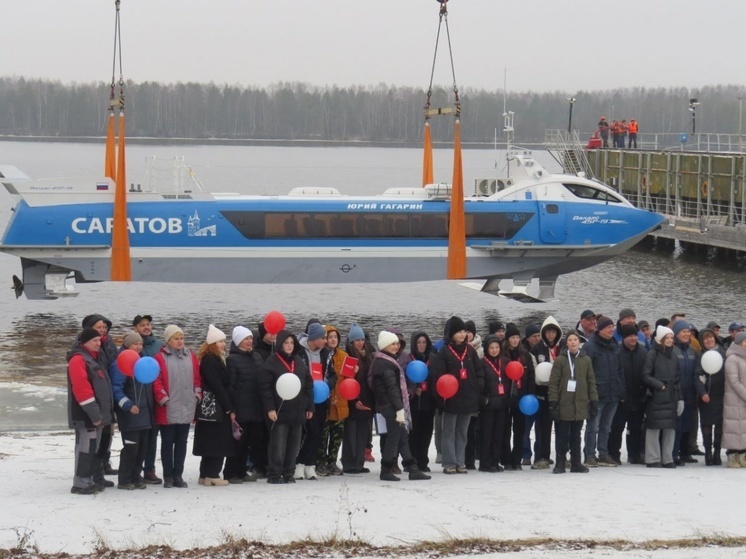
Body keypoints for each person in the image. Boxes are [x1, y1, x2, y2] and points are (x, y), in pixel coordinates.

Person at [370, 330, 430, 481]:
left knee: (402, 436)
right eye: (393, 344)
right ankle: (386, 469)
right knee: (394, 437)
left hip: (390, 404)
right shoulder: (384, 363)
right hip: (389, 406)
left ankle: (412, 468)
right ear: (385, 345)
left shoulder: (387, 359)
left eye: (397, 343)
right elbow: (391, 389)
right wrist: (399, 409)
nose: (396, 346)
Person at [429, 317, 484, 475]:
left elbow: (479, 370)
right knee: (449, 432)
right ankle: (449, 463)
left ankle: (460, 462)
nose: (462, 334)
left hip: (468, 398)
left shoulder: (471, 351)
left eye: (464, 331)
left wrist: (478, 386)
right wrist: (440, 399)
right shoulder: (444, 352)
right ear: (451, 334)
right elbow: (437, 377)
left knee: (462, 432)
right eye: (458, 331)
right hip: (451, 400)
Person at [259, 330, 314, 484]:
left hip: (297, 410)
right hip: (279, 410)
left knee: (294, 444)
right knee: (278, 444)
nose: (289, 346)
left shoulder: (299, 362)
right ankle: (275, 473)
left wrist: (309, 407)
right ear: (280, 345)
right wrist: (270, 409)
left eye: (291, 343)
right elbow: (265, 388)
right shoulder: (271, 363)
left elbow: (308, 385)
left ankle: (289, 472)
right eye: (286, 343)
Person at [67, 327, 115, 494]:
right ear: (85, 342)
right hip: (86, 414)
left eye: (99, 340)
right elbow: (82, 389)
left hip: (98, 415)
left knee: (93, 448)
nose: (98, 343)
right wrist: (94, 414)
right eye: (94, 340)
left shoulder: (94, 359)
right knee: (85, 448)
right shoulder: (78, 359)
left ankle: (91, 479)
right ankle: (80, 483)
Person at [153, 324, 201, 488]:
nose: (180, 341)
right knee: (167, 442)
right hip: (169, 407)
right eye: (176, 338)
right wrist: (163, 398)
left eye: (181, 338)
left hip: (187, 405)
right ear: (168, 341)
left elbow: (197, 378)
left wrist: (197, 394)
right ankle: (168, 475)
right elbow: (156, 380)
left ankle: (178, 475)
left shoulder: (191, 356)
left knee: (182, 442)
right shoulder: (160, 358)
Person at [548, 332, 598, 474]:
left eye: (575, 339)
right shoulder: (560, 360)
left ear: (579, 342)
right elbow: (553, 383)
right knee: (562, 435)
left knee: (576, 435)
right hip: (564, 403)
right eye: (570, 340)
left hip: (580, 404)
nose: (573, 342)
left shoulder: (586, 360)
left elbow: (591, 381)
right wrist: (553, 403)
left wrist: (593, 400)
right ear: (566, 343)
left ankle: (576, 462)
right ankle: (560, 462)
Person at [193, 325, 235, 487]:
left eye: (224, 341)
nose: (224, 344)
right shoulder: (211, 360)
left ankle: (205, 473)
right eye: (220, 341)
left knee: (210, 440)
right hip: (215, 407)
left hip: (210, 407)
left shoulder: (213, 358)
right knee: (218, 440)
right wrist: (229, 407)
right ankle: (212, 473)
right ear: (212, 343)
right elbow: (217, 386)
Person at [111, 331, 154, 490]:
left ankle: (136, 476)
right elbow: (116, 389)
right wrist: (128, 405)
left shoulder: (142, 362)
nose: (138, 347)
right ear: (127, 345)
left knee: (142, 448)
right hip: (129, 414)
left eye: (140, 344)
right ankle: (124, 479)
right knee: (131, 447)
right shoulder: (120, 363)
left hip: (144, 413)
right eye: (135, 344)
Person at [225, 326, 266, 482]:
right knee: (237, 442)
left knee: (250, 441)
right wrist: (232, 409)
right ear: (238, 341)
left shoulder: (256, 357)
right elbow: (231, 386)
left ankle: (242, 471)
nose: (250, 341)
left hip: (256, 406)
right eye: (246, 339)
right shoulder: (232, 360)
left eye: (250, 338)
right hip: (240, 407)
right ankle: (230, 472)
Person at [582, 316, 625, 467]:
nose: (612, 329)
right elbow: (585, 372)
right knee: (592, 426)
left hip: (613, 393)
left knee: (606, 427)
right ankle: (589, 455)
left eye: (613, 327)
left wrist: (621, 390)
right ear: (600, 330)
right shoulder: (590, 346)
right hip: (597, 394)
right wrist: (588, 394)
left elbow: (620, 369)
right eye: (608, 327)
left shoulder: (615, 345)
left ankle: (603, 453)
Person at [80, 314, 119, 480]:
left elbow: (114, 363)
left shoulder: (107, 343)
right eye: (99, 327)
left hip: (108, 392)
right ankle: (93, 472)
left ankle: (104, 463)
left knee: (108, 433)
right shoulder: (82, 349)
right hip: (96, 398)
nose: (103, 330)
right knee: (96, 436)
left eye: (104, 327)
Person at [642, 326, 682, 468]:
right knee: (654, 427)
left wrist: (680, 398)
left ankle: (667, 458)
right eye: (667, 338)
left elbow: (677, 379)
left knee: (670, 428)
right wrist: (660, 385)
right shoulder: (652, 354)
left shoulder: (674, 356)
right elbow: (646, 375)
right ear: (660, 339)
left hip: (671, 396)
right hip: (656, 396)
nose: (670, 340)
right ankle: (653, 458)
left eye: (671, 338)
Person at [608, 325, 648, 465]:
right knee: (617, 428)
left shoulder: (643, 352)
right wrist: (621, 394)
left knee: (636, 428)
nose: (633, 338)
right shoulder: (617, 352)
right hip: (622, 398)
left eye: (635, 336)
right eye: (630, 336)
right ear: (624, 338)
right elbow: (614, 375)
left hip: (638, 397)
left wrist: (644, 392)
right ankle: (613, 454)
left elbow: (646, 374)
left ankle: (635, 454)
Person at [132, 314, 164, 485]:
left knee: (153, 435)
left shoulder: (159, 345)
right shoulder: (131, 347)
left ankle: (149, 469)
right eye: (142, 325)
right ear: (135, 328)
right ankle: (134, 469)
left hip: (155, 397)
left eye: (148, 324)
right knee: (137, 436)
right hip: (137, 398)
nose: (146, 327)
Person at [295, 321, 328, 480]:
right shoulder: (299, 351)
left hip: (322, 396)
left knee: (318, 432)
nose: (325, 341)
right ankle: (299, 463)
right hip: (305, 396)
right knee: (310, 431)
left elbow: (332, 373)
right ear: (314, 338)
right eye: (323, 338)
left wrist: (328, 384)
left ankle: (310, 465)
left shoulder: (325, 353)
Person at [529, 316, 563, 469]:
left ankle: (562, 454)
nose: (550, 335)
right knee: (543, 426)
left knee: (561, 425)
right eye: (548, 331)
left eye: (553, 332)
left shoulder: (563, 347)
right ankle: (542, 456)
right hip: (543, 390)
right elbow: (534, 369)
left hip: (560, 392)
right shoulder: (537, 349)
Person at [341, 323, 375, 474]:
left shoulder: (368, 356)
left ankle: (359, 462)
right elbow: (347, 382)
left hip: (367, 400)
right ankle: (349, 463)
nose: (360, 343)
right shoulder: (348, 357)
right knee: (351, 434)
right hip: (353, 400)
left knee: (362, 433)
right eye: (357, 340)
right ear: (351, 342)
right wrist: (355, 400)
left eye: (362, 340)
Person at [502, 323, 535, 470]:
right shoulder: (503, 355)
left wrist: (529, 394)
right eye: (512, 337)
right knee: (505, 430)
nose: (515, 340)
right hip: (507, 398)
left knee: (520, 430)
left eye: (517, 337)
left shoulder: (525, 355)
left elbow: (531, 377)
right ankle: (506, 459)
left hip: (523, 398)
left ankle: (517, 458)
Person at [316, 325, 348, 476]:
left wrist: (354, 372)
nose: (333, 339)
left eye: (335, 337)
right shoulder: (322, 355)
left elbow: (349, 381)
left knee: (337, 436)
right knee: (324, 434)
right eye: (330, 337)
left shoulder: (344, 355)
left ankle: (332, 462)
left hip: (341, 401)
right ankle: (320, 462)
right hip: (326, 399)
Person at [671, 320, 702, 466]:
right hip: (678, 393)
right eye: (683, 331)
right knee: (677, 425)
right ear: (676, 334)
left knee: (688, 425)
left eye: (688, 332)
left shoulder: (692, 351)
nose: (687, 334)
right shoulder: (672, 350)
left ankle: (685, 452)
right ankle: (674, 452)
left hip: (690, 393)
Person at [479, 335, 510, 472]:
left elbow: (512, 380)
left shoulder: (506, 362)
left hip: (502, 403)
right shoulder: (482, 362)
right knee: (486, 434)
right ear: (486, 349)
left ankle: (495, 461)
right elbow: (478, 383)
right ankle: (485, 463)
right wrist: (483, 399)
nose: (494, 350)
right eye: (491, 348)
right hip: (488, 404)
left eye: (497, 347)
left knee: (499, 434)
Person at [408, 330, 437, 472]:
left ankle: (423, 461)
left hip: (428, 402)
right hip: (413, 403)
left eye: (424, 342)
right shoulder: (409, 359)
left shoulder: (433, 358)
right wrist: (414, 389)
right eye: (419, 343)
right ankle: (411, 461)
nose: (421, 345)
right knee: (413, 433)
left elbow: (436, 379)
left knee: (426, 433)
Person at [697, 327, 725, 465]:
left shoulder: (723, 353)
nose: (709, 340)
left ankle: (717, 453)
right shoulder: (700, 355)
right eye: (705, 338)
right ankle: (708, 452)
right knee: (706, 424)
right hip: (706, 396)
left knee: (719, 425)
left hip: (721, 394)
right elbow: (697, 377)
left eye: (710, 337)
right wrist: (702, 393)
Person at [722, 331, 746, 467]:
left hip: (743, 399)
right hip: (734, 400)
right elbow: (734, 381)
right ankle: (732, 456)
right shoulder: (732, 358)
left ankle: (742, 456)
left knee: (743, 429)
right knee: (734, 428)